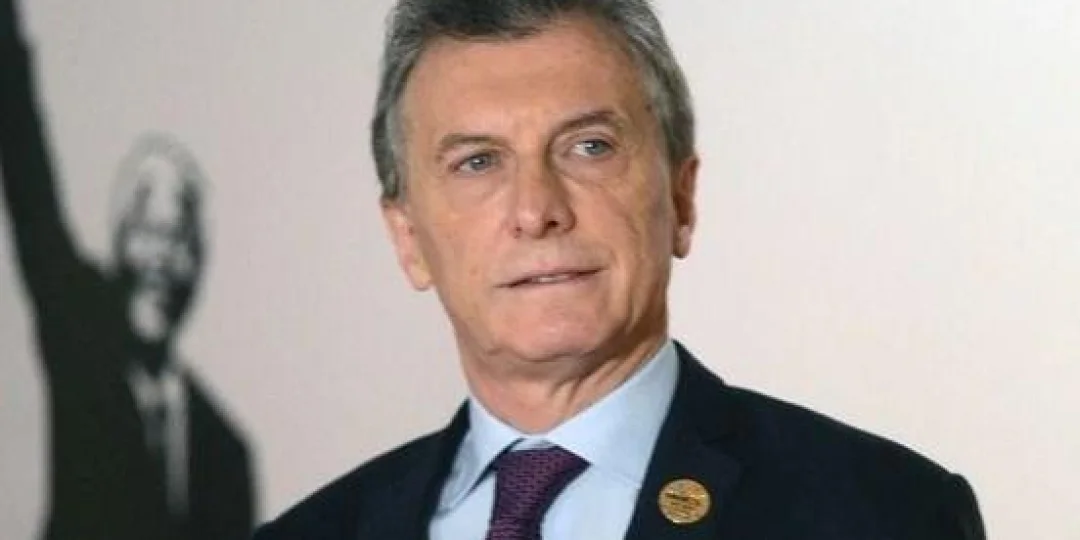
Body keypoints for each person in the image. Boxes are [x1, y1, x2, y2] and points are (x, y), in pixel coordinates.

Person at [256, 0, 986, 538]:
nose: (537, 209)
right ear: (408, 238)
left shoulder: (882, 512)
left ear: (681, 198)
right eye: (477, 162)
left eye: (590, 147)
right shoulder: (311, 533)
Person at [0, 1, 256, 538]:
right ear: (115, 247)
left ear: (199, 265)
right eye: (146, 229)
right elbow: (27, 176)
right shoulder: (79, 344)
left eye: (178, 238)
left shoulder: (226, 452)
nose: (161, 256)